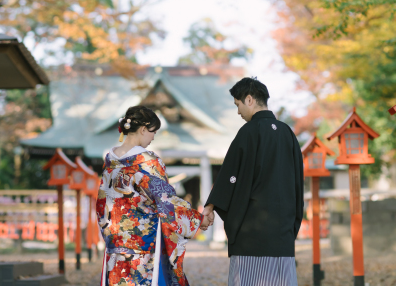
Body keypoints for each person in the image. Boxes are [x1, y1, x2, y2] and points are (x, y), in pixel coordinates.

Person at [203, 77, 304, 286]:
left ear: (249, 100)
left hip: (252, 230)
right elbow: (297, 182)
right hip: (283, 229)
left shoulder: (248, 132)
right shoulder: (287, 133)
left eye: (238, 104)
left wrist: (211, 205)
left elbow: (231, 174)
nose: (238, 112)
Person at [96, 105, 212, 286]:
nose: (153, 137)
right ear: (143, 129)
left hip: (116, 245)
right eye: (153, 132)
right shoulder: (147, 162)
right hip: (143, 247)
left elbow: (102, 204)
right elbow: (167, 202)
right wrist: (197, 219)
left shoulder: (110, 161)